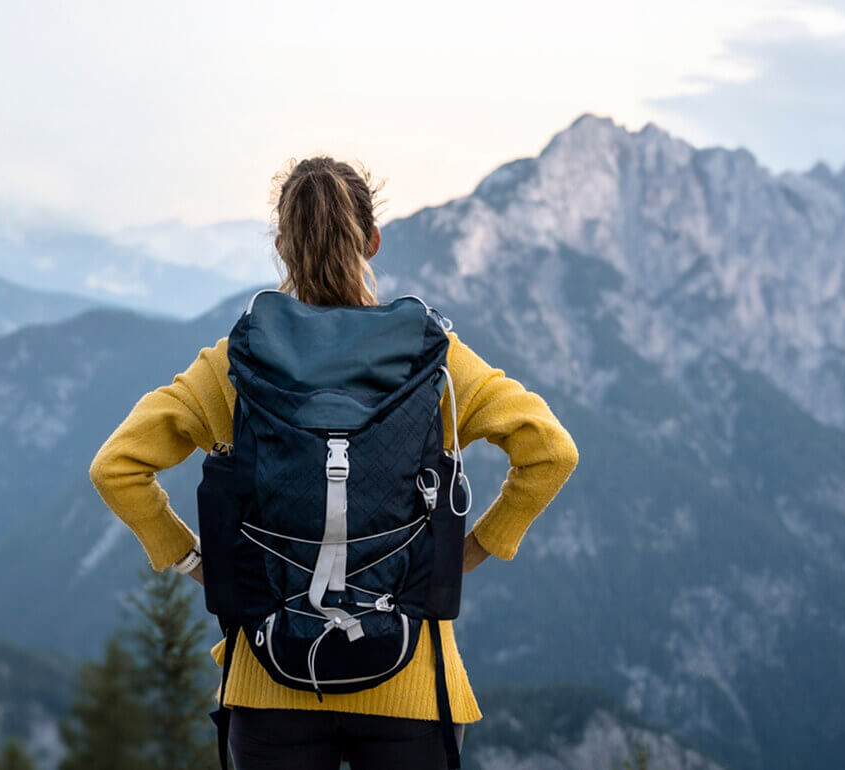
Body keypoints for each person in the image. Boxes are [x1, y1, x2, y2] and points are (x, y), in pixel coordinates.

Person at [88, 155, 578, 769]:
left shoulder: (233, 367)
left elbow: (116, 468)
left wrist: (197, 565)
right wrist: (472, 550)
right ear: (371, 240)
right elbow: (551, 451)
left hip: (270, 680)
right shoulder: (435, 365)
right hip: (412, 682)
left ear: (281, 247)